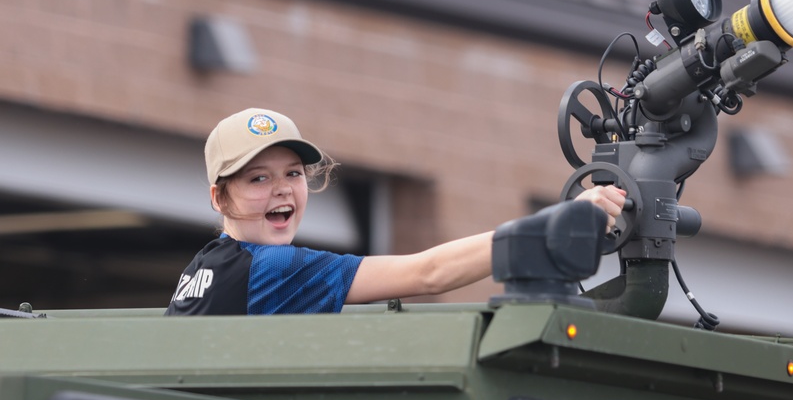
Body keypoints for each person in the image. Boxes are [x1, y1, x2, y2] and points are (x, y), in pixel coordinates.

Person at [165, 108, 625, 316]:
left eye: (293, 173)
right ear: (219, 198)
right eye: (258, 179)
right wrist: (551, 228)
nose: (283, 191)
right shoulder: (274, 269)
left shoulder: (204, 265)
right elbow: (428, 274)